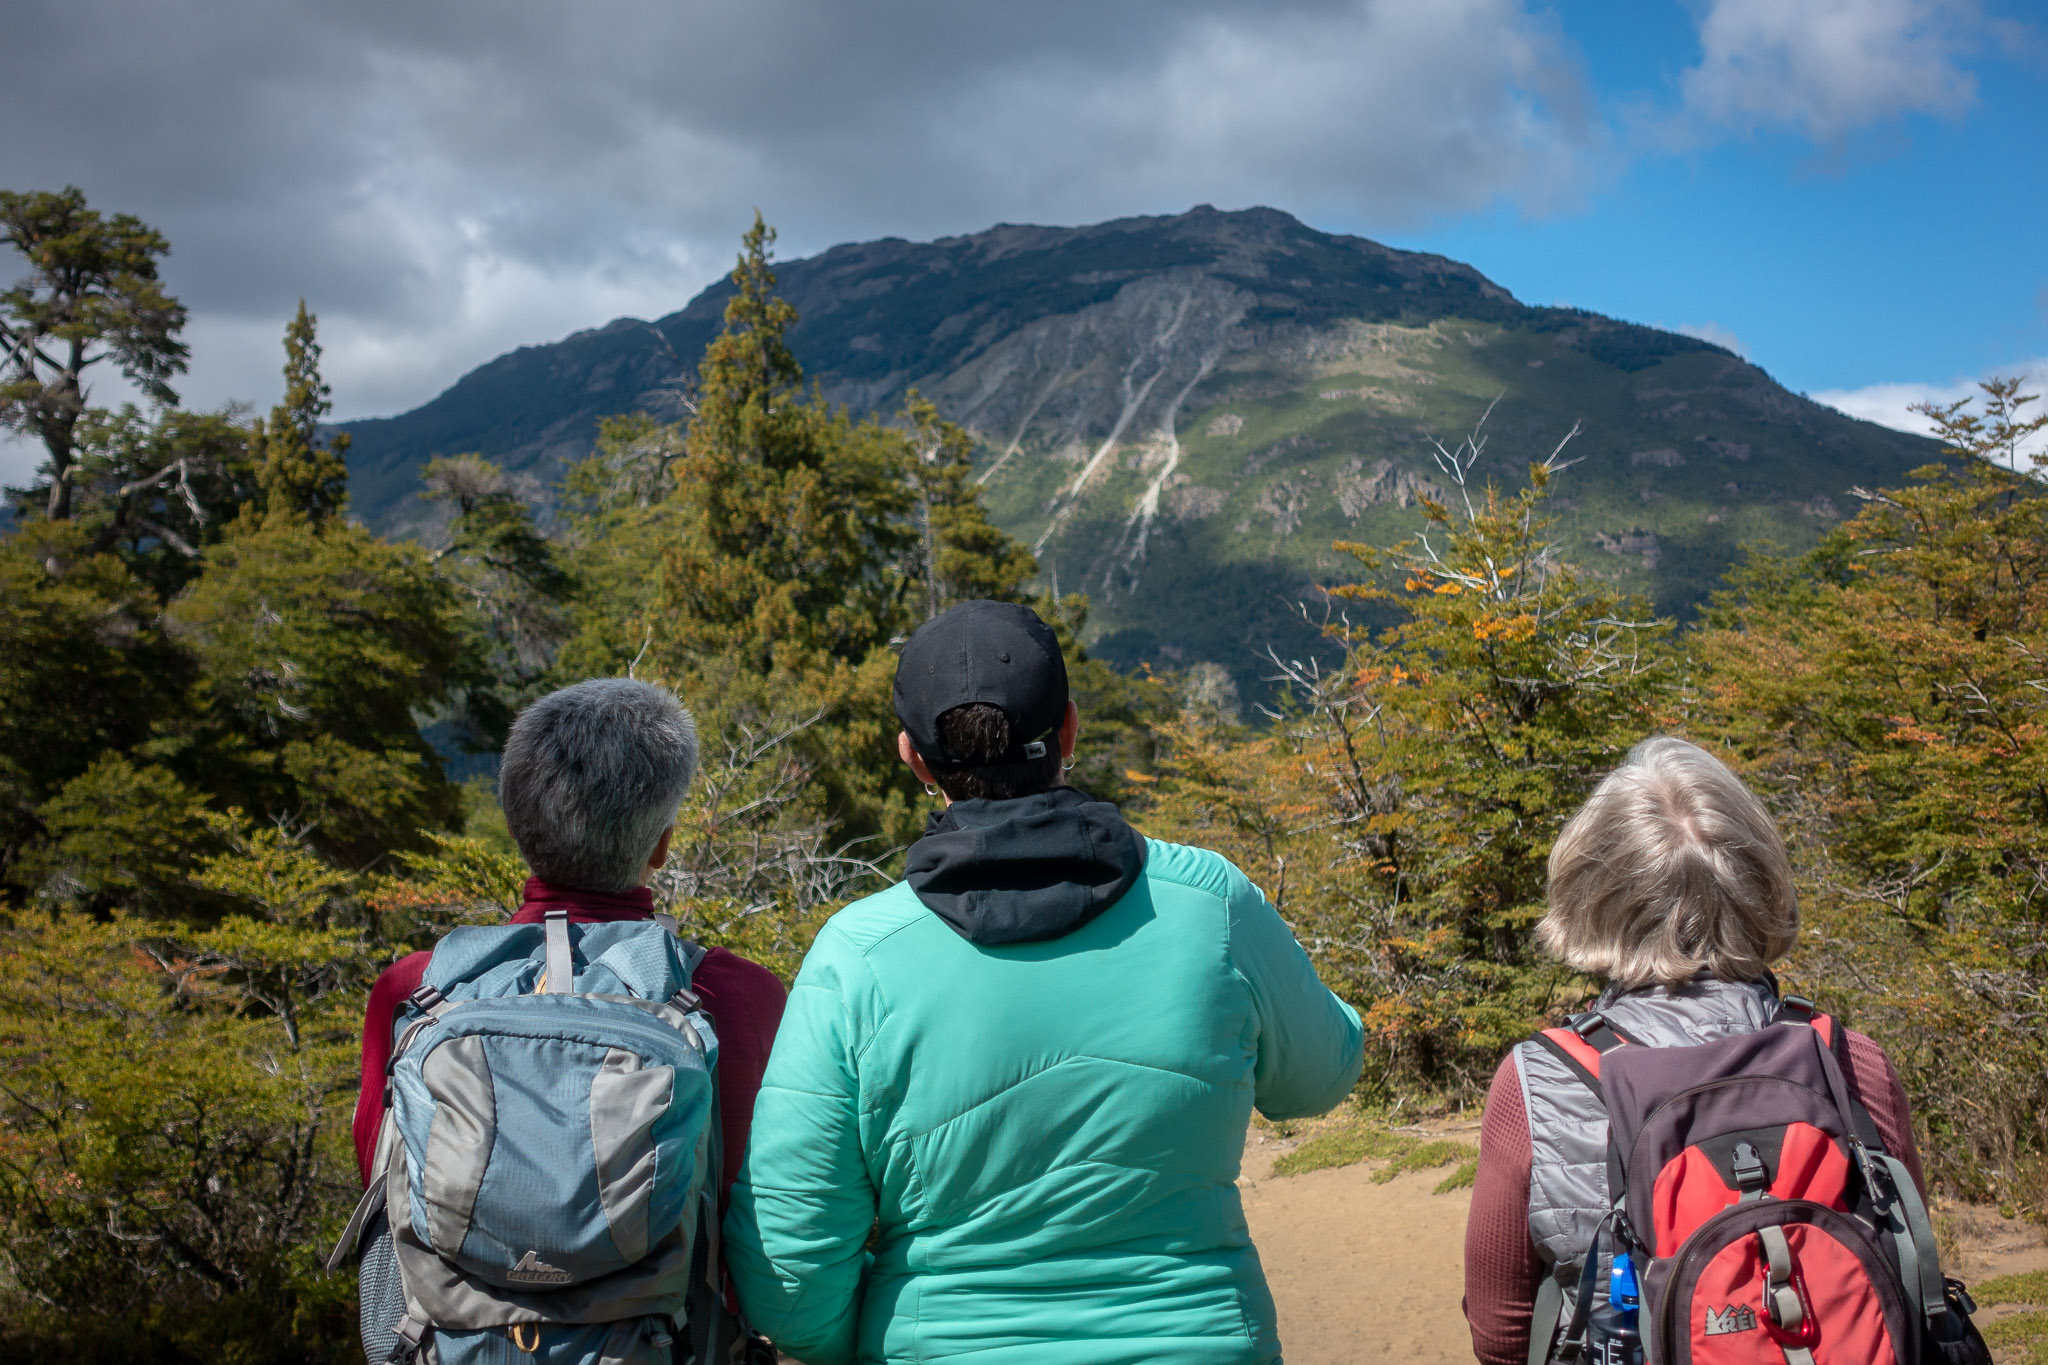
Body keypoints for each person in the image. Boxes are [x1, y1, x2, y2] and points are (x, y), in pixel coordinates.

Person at [721, 599, 1366, 1365]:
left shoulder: (855, 956)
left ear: (913, 758)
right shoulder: (1210, 902)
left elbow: (791, 1282)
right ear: (1068, 729)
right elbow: (1320, 1077)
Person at [1462, 735, 1926, 1365]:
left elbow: (1500, 1332)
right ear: (1760, 881)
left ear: (1589, 893)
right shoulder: (1846, 1058)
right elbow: (1908, 1274)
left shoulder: (1540, 1081)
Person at [351, 678, 788, 1217]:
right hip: (663, 1301)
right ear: (661, 844)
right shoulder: (737, 994)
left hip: (443, 1302)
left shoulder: (414, 989)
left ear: (516, 828)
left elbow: (382, 1169)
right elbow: (764, 1206)